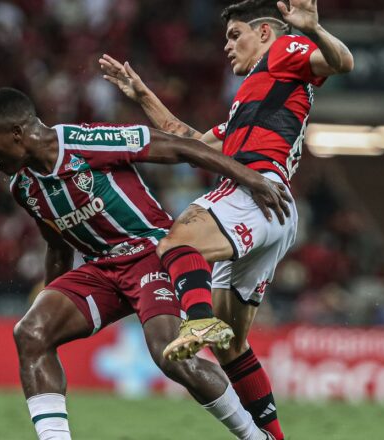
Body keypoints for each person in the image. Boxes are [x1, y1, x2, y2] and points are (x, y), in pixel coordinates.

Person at [0, 87, 292, 440]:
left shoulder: (87, 142)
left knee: (171, 356)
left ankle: (254, 437)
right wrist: (50, 300)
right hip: (101, 270)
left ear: (17, 133)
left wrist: (251, 178)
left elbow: (180, 146)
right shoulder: (24, 187)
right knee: (31, 333)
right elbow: (57, 246)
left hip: (150, 254)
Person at [99, 1, 353, 438]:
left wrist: (313, 29)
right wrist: (143, 96)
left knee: (177, 242)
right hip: (271, 207)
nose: (227, 45)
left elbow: (341, 62)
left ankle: (197, 319)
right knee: (233, 346)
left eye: (236, 35)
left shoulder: (285, 51)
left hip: (255, 190)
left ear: (266, 34)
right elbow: (192, 143)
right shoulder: (252, 100)